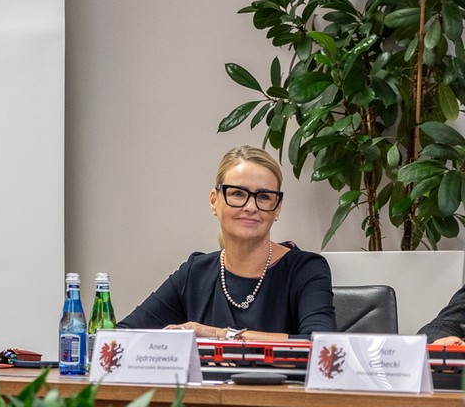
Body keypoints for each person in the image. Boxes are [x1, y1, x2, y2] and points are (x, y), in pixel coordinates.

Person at [118, 145, 335, 340]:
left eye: (264, 197)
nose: (250, 207)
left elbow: (320, 345)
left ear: (277, 208)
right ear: (214, 201)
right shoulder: (195, 273)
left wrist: (218, 334)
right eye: (238, 194)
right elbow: (121, 336)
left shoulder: (306, 269)